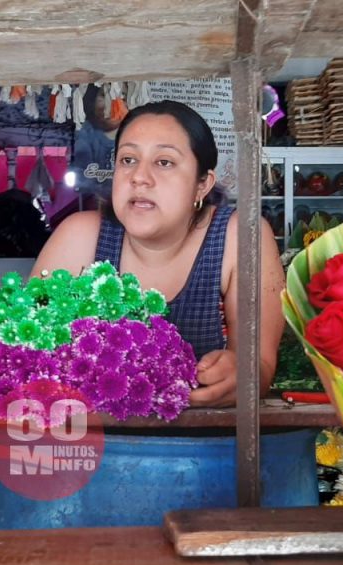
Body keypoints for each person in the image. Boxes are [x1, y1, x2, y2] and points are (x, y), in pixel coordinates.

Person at [32, 99, 285, 407]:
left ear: (202, 184)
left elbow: (259, 364)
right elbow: (25, 348)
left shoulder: (238, 237)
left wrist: (242, 373)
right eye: (127, 160)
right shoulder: (80, 237)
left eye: (164, 162)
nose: (139, 177)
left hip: (204, 446)